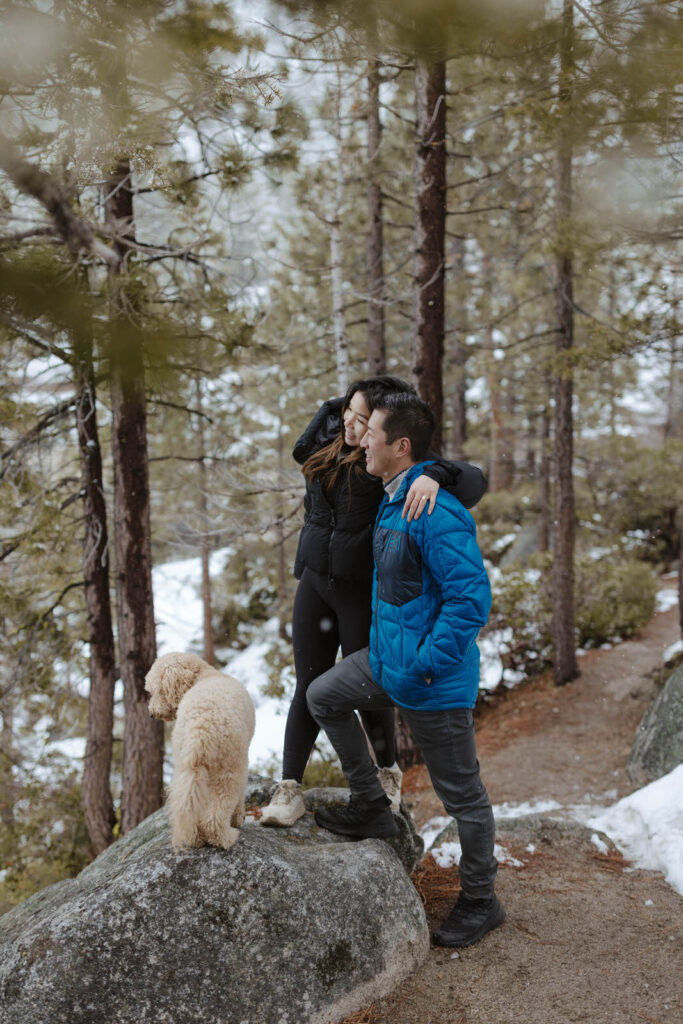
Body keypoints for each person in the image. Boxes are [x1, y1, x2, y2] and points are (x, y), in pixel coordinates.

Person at [306, 391, 504, 949]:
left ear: (401, 446)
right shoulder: (394, 496)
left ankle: (481, 900)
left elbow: (470, 600)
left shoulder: (434, 509)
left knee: (463, 797)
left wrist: (424, 665)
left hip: (431, 681)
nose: (361, 438)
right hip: (386, 664)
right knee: (324, 696)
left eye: (372, 433)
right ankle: (372, 803)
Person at [260, 376, 488, 828]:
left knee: (369, 687)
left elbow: (475, 480)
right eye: (349, 411)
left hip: (357, 587)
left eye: (364, 420)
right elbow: (301, 448)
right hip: (314, 580)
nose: (352, 425)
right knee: (308, 686)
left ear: (384, 429)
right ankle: (289, 787)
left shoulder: (389, 461)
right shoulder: (332, 436)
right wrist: (341, 413)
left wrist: (434, 473)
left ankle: (385, 778)